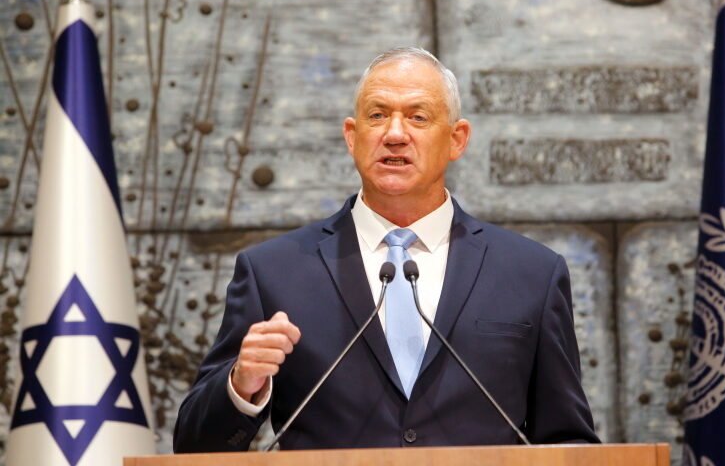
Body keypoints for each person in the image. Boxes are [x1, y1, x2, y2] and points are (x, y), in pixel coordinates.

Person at [173, 47, 598, 452]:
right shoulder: (273, 272)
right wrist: (241, 384)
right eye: (378, 116)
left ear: (457, 139)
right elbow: (195, 446)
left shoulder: (531, 274)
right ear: (351, 136)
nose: (395, 134)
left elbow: (568, 441)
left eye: (418, 117)